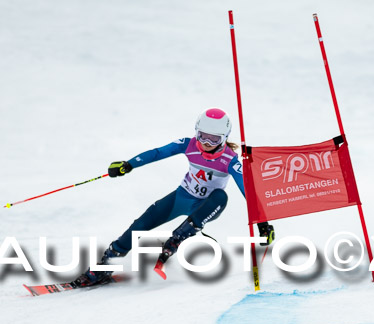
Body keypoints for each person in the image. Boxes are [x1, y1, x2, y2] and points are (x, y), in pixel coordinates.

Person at [74, 108, 275, 286]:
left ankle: (177, 238)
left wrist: (262, 223)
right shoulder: (189, 145)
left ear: (224, 138)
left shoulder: (230, 160)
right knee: (140, 225)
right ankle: (106, 264)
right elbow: (158, 153)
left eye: (214, 139)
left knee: (221, 195)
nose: (206, 143)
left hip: (205, 207)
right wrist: (129, 164)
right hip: (181, 198)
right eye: (202, 136)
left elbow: (247, 190)